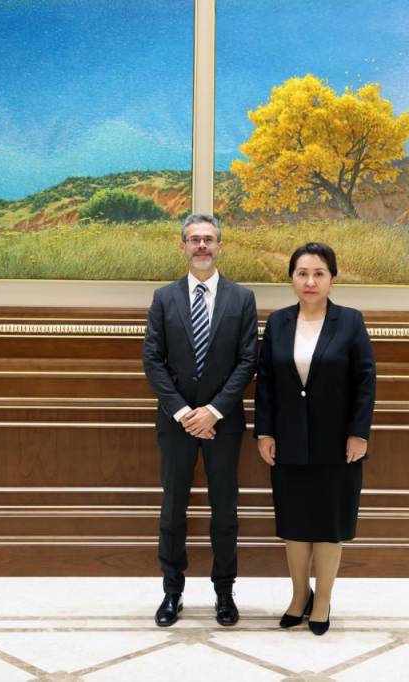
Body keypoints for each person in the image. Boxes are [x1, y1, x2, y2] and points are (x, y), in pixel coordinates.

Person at [253, 242, 376, 636]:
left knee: (329, 524)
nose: (310, 281)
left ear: (332, 279)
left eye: (319, 273)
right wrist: (264, 432)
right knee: (294, 524)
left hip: (337, 443)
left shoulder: (350, 321)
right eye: (302, 273)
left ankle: (322, 600)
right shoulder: (278, 322)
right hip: (288, 440)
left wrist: (359, 433)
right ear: (291, 278)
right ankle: (298, 596)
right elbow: (266, 382)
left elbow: (365, 382)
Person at [142, 213, 258, 627]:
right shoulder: (164, 298)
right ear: (183, 247)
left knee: (225, 510)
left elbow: (248, 361)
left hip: (223, 423)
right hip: (175, 422)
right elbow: (153, 360)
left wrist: (213, 411)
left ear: (220, 246)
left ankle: (224, 592)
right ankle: (172, 592)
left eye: (209, 239)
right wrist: (184, 412)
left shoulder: (242, 298)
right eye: (195, 239)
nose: (202, 245)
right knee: (173, 508)